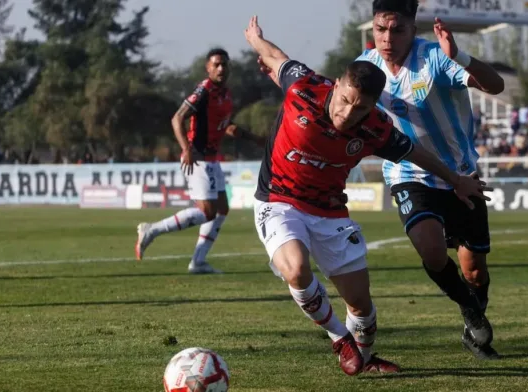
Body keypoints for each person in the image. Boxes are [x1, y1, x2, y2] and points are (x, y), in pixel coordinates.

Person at [244, 15, 491, 375]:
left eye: (360, 108)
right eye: (344, 100)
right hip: (278, 201)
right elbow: (277, 56)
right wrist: (255, 40)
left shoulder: (376, 128)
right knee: (297, 269)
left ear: (374, 105)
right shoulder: (304, 87)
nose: (348, 113)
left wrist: (456, 179)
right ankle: (339, 340)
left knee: (361, 306)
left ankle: (365, 356)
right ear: (337, 85)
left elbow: (416, 153)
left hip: (329, 212)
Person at [356, 0, 506, 360]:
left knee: (474, 271)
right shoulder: (367, 67)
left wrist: (460, 56)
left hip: (461, 176)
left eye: (397, 30)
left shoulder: (434, 58)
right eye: (380, 29)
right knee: (431, 247)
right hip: (409, 174)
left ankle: (473, 324)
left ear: (413, 28)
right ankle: (470, 310)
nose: (387, 38)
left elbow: (496, 86)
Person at [135, 48, 264, 274]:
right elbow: (177, 118)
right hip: (198, 158)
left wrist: (255, 139)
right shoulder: (204, 90)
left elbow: (227, 126)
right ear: (208, 68)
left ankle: (198, 261)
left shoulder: (226, 94)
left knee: (221, 209)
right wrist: (186, 148)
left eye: (224, 64)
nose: (221, 68)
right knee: (207, 211)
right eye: (216, 64)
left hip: (212, 159)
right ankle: (151, 230)